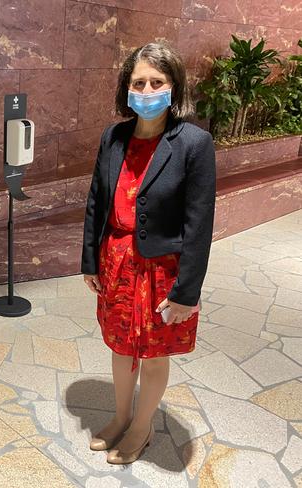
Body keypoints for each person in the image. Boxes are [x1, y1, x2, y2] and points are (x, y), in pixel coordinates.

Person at [81, 42, 216, 464]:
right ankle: (122, 417)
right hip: (117, 263)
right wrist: (90, 261)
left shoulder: (194, 143)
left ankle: (142, 428)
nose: (147, 89)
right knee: (121, 348)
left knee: (155, 354)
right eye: (138, 82)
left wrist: (186, 292)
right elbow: (96, 202)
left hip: (164, 272)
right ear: (127, 88)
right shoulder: (113, 136)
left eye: (157, 82)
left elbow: (199, 225)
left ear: (174, 87)